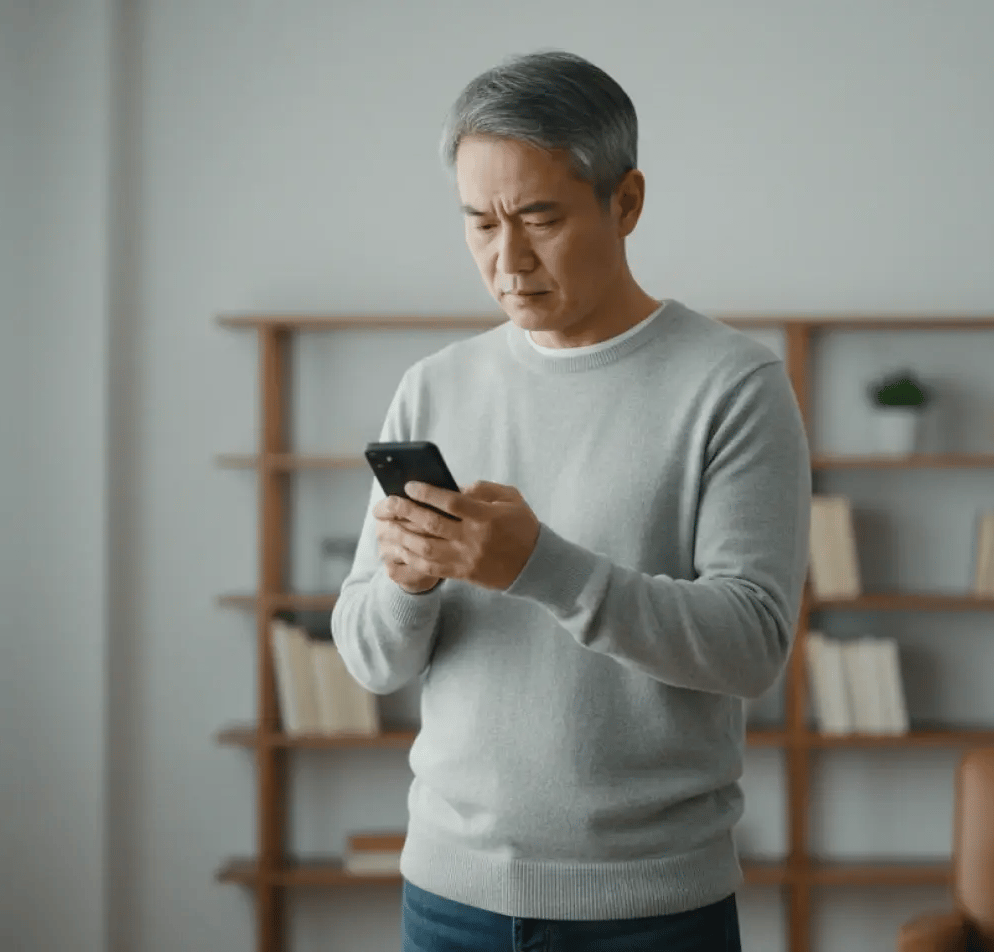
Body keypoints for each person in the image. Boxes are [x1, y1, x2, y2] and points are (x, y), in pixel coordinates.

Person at [331, 49, 812, 952]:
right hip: (446, 895)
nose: (505, 259)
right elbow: (371, 660)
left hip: (652, 911)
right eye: (479, 223)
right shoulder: (433, 387)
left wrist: (539, 568)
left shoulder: (732, 385)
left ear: (625, 202)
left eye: (539, 218)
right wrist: (409, 583)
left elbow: (752, 646)